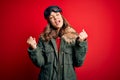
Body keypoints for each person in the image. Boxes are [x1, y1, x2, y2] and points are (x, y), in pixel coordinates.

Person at [27, 5, 88, 80]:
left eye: (57, 14)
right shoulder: (44, 38)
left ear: (61, 16)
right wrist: (34, 48)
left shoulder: (73, 37)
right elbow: (40, 63)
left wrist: (81, 43)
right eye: (51, 17)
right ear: (49, 21)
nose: (56, 18)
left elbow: (78, 63)